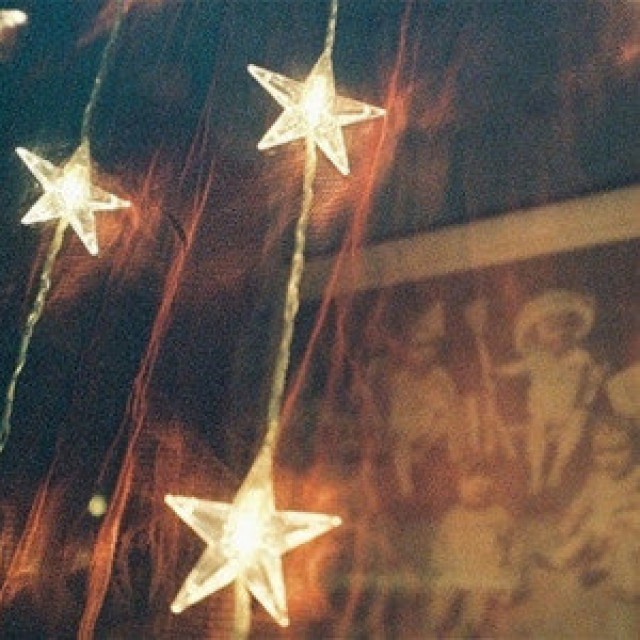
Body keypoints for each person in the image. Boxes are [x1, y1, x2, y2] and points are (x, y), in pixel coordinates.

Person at [498, 289, 604, 494]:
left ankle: (558, 467)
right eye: (551, 331)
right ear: (538, 336)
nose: (559, 335)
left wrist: (595, 379)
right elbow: (518, 368)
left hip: (570, 407)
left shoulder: (580, 357)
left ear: (573, 331)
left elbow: (590, 380)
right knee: (536, 432)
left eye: (565, 330)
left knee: (576, 424)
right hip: (543, 409)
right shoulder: (537, 357)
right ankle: (536, 471)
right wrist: (501, 372)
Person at [371, 302, 460, 496]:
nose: (419, 354)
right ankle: (406, 487)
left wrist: (428, 437)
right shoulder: (401, 379)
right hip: (409, 428)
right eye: (414, 348)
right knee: (401, 446)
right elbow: (397, 413)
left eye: (425, 347)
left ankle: (453, 475)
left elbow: (448, 409)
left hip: (434, 425)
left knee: (446, 429)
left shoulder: (439, 377)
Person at [429, 463, 524, 635]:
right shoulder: (453, 517)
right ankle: (440, 627)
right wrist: (441, 566)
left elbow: (514, 546)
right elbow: (440, 546)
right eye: (472, 490)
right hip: (456, 572)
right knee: (438, 611)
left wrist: (510, 575)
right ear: (461, 489)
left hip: (485, 574)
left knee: (475, 614)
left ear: (490, 492)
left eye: (483, 491)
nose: (478, 494)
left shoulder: (498, 516)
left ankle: (472, 629)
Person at [549, 418, 640, 594]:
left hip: (623, 533)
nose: (610, 459)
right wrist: (568, 523)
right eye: (602, 453)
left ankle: (604, 569)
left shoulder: (636, 476)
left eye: (618, 451)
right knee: (583, 536)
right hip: (597, 531)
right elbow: (581, 503)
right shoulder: (596, 479)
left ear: (635, 450)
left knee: (623, 547)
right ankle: (560, 559)